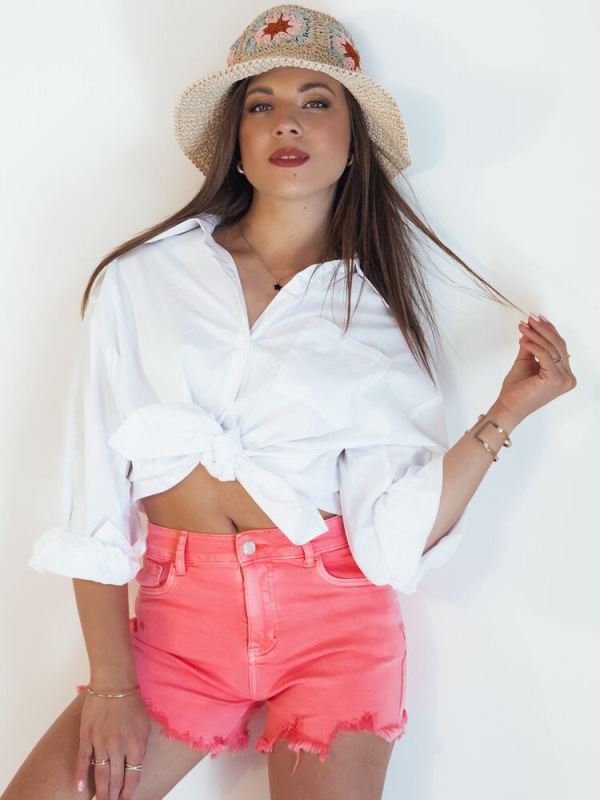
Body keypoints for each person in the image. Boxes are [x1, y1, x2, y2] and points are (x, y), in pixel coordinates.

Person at [2, 5, 576, 800]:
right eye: (260, 104)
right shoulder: (142, 278)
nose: (287, 121)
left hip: (335, 627)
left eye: (316, 100)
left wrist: (506, 412)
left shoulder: (378, 318)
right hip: (177, 630)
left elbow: (393, 537)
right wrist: (110, 682)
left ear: (353, 140)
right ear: (236, 141)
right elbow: (94, 486)